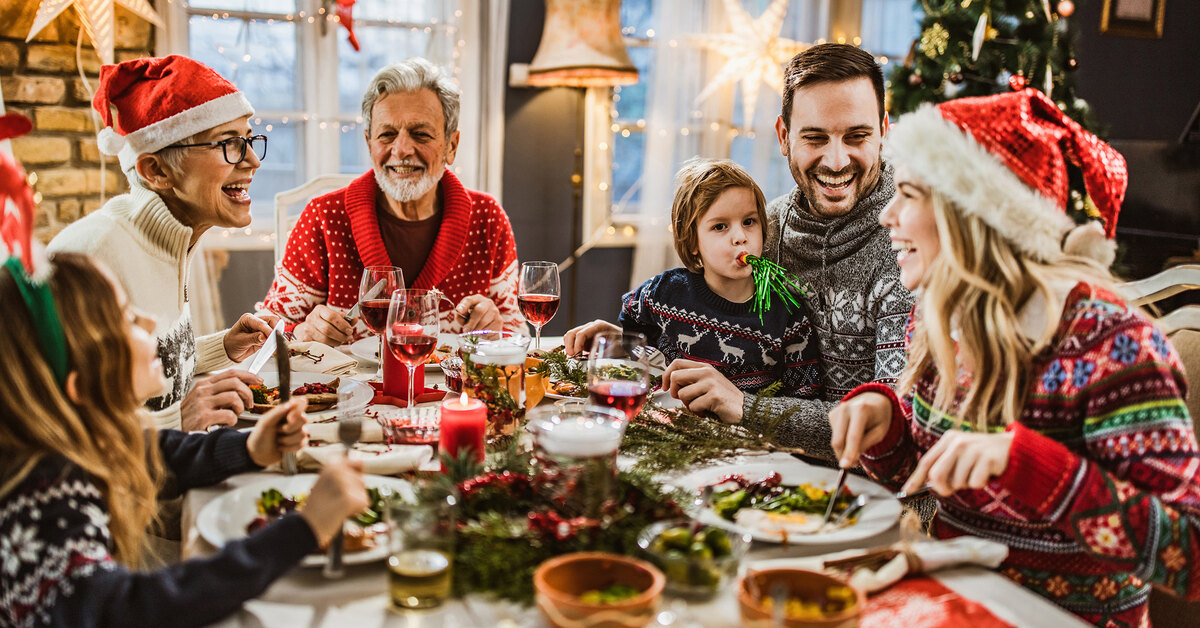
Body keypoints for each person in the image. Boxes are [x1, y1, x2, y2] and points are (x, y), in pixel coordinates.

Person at [829, 88, 1200, 626]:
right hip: (952, 606)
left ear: (973, 217)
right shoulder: (942, 315)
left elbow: (1189, 557)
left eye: (908, 194)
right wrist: (885, 423)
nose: (887, 214)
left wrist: (1030, 467)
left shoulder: (1111, 345)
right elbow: (920, 471)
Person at [0, 250, 368, 627]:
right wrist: (302, 529)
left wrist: (249, 447)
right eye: (128, 318)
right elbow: (132, 609)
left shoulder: (78, 440)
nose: (151, 321)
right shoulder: (43, 502)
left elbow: (157, 453)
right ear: (82, 386)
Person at [49, 55, 277, 432]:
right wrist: (177, 420)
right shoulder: (90, 258)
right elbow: (53, 426)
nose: (252, 160)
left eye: (249, 140)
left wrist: (222, 347)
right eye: (229, 144)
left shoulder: (173, 238)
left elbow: (145, 376)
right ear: (156, 171)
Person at [257, 57, 524, 345]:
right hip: (345, 389)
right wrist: (299, 332)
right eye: (387, 134)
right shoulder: (324, 216)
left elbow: (517, 334)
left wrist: (497, 328)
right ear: (369, 143)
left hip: (451, 391)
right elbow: (264, 332)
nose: (402, 149)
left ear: (451, 146)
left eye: (420, 134)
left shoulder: (487, 217)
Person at [565, 158, 822, 399]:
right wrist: (619, 340)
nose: (740, 237)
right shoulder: (663, 293)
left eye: (749, 221)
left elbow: (803, 394)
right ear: (692, 242)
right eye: (720, 226)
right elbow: (642, 345)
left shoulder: (787, 314)